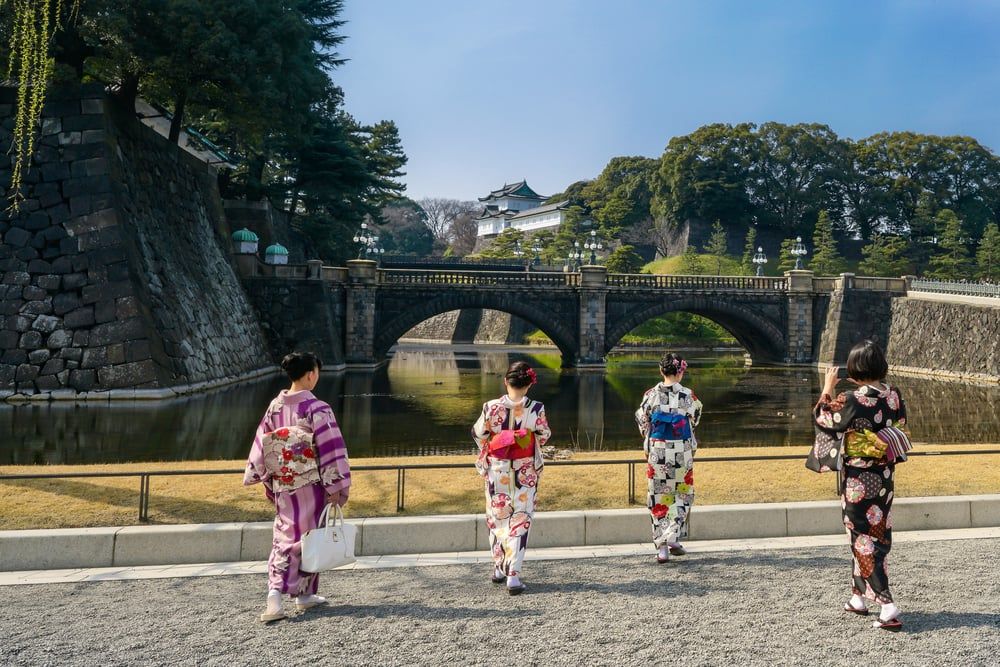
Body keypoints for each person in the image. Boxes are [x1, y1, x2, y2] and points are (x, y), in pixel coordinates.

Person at [244, 352, 352, 623]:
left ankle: (291, 595)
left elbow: (261, 447)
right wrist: (335, 485)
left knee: (284, 535)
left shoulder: (274, 407)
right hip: (312, 485)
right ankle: (287, 595)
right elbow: (330, 448)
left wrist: (267, 477)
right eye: (317, 372)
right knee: (307, 538)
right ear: (311, 374)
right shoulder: (317, 408)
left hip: (284, 484)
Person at [814, 340, 907, 631]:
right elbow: (900, 423)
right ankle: (858, 597)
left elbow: (824, 418)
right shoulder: (893, 396)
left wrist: (827, 387)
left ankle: (887, 604)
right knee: (876, 534)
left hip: (858, 479)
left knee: (861, 538)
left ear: (854, 370)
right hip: (884, 477)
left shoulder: (852, 399)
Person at [472, 361, 551, 595]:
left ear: (506, 381)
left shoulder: (491, 407)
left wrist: (499, 441)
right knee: (520, 518)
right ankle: (513, 575)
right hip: (525, 470)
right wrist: (522, 438)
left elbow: (478, 433)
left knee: (497, 517)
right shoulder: (536, 408)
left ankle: (499, 567)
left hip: (497, 469)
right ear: (529, 385)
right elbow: (544, 435)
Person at [635, 352, 703, 563]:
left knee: (658, 496)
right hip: (681, 451)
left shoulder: (650, 395)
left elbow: (642, 420)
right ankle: (672, 535)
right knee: (682, 493)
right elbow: (696, 418)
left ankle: (662, 548)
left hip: (658, 452)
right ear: (680, 372)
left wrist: (652, 435)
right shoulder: (688, 395)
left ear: (661, 370)